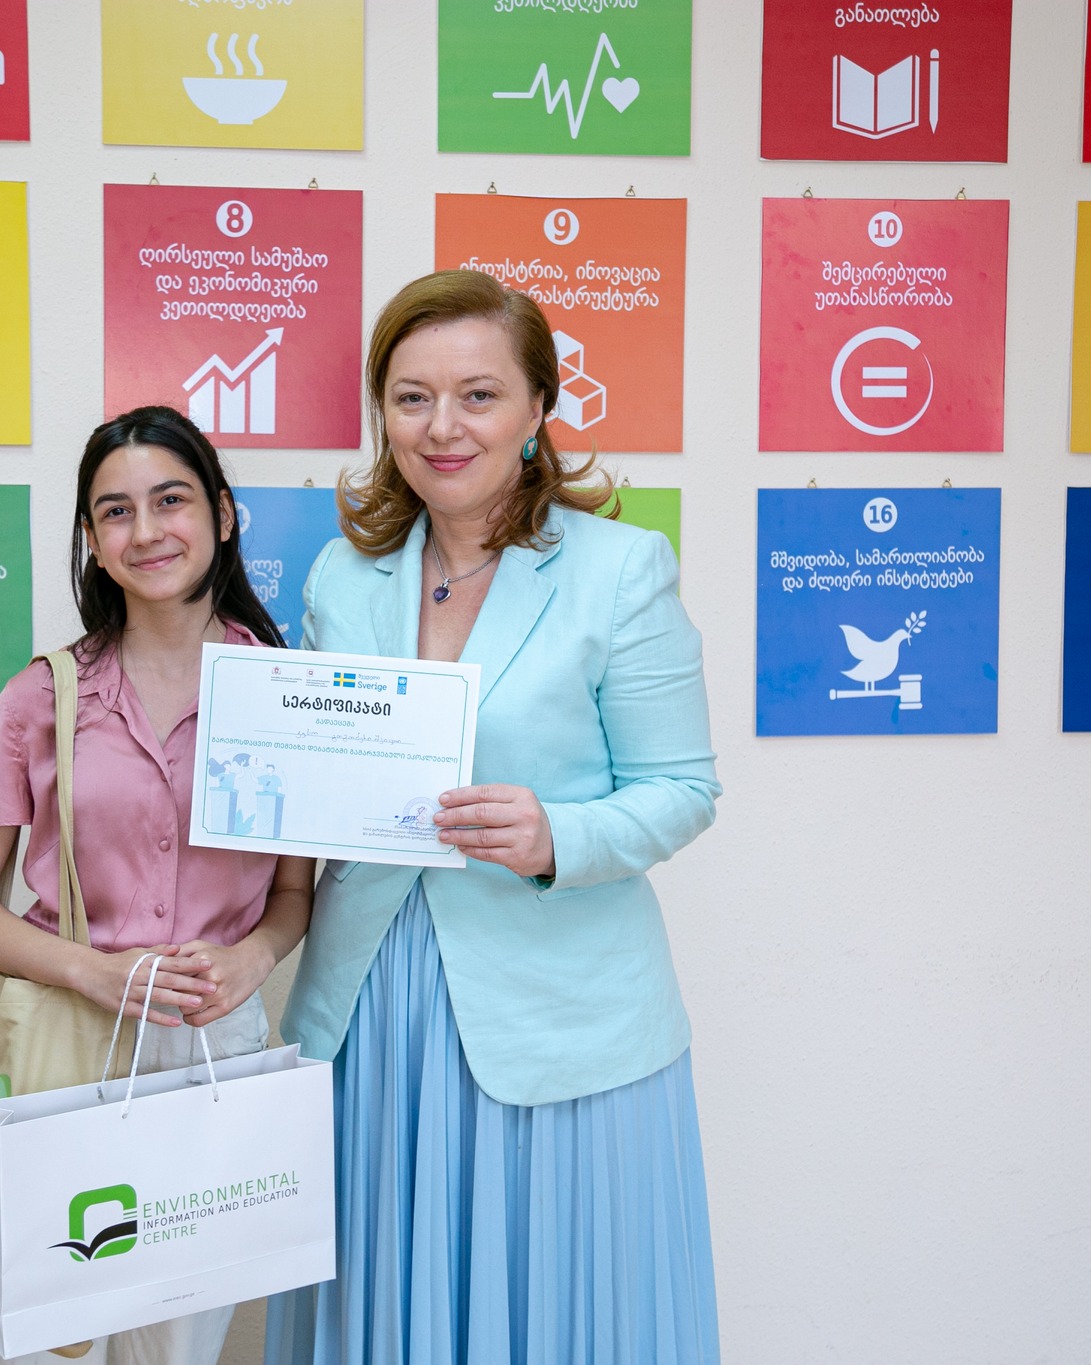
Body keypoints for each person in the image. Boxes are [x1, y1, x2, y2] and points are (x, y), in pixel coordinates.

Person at [264, 269, 722, 1363]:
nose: (443, 426)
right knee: (385, 1293)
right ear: (382, 414)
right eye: (411, 397)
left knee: (558, 1306)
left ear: (535, 409)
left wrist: (557, 835)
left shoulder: (620, 570)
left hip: (559, 1014)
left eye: (477, 394)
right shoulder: (343, 574)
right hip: (376, 1005)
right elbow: (314, 776)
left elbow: (683, 789)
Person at [0, 407, 312, 1365]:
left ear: (222, 514)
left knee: (177, 1348)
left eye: (170, 500)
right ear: (92, 540)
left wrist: (251, 960)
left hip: (212, 1051)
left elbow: (293, 897)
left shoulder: (287, 693)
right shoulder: (41, 696)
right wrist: (93, 971)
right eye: (115, 511)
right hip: (66, 1039)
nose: (146, 531)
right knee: (50, 1344)